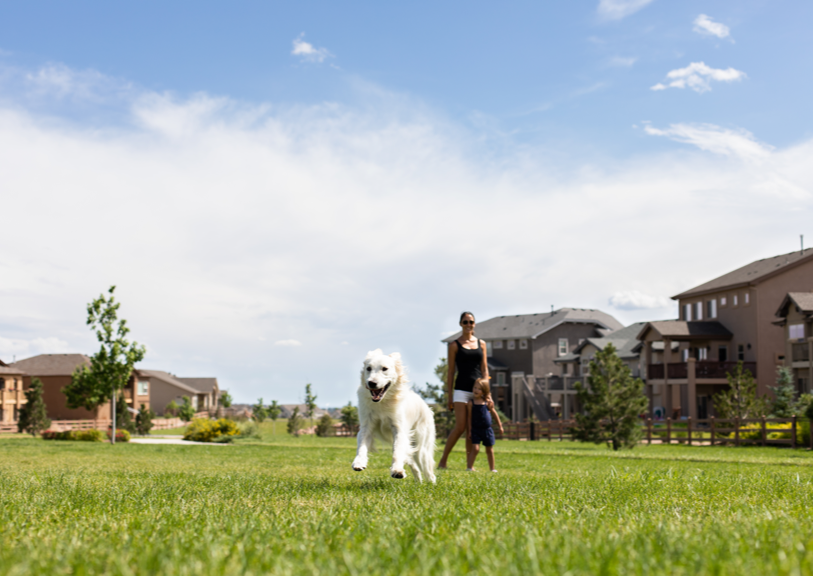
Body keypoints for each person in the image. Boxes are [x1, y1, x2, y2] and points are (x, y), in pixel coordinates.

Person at [437, 311, 490, 469]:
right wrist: (449, 396)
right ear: (461, 324)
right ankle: (443, 461)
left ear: (474, 324)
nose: (468, 325)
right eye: (465, 322)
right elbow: (451, 371)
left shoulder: (482, 344)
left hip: (478, 391)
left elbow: (485, 369)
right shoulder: (454, 345)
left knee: (471, 429)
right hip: (461, 389)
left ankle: (469, 466)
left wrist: (488, 393)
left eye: (471, 322)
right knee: (460, 427)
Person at [466, 378, 503, 472]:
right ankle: (469, 467)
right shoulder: (471, 403)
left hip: (487, 430)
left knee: (489, 450)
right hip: (475, 430)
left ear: (484, 391)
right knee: (475, 449)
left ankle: (492, 469)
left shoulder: (487, 403)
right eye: (475, 387)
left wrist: (500, 426)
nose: (476, 390)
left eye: (479, 389)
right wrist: (470, 430)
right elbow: (469, 417)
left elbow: (494, 414)